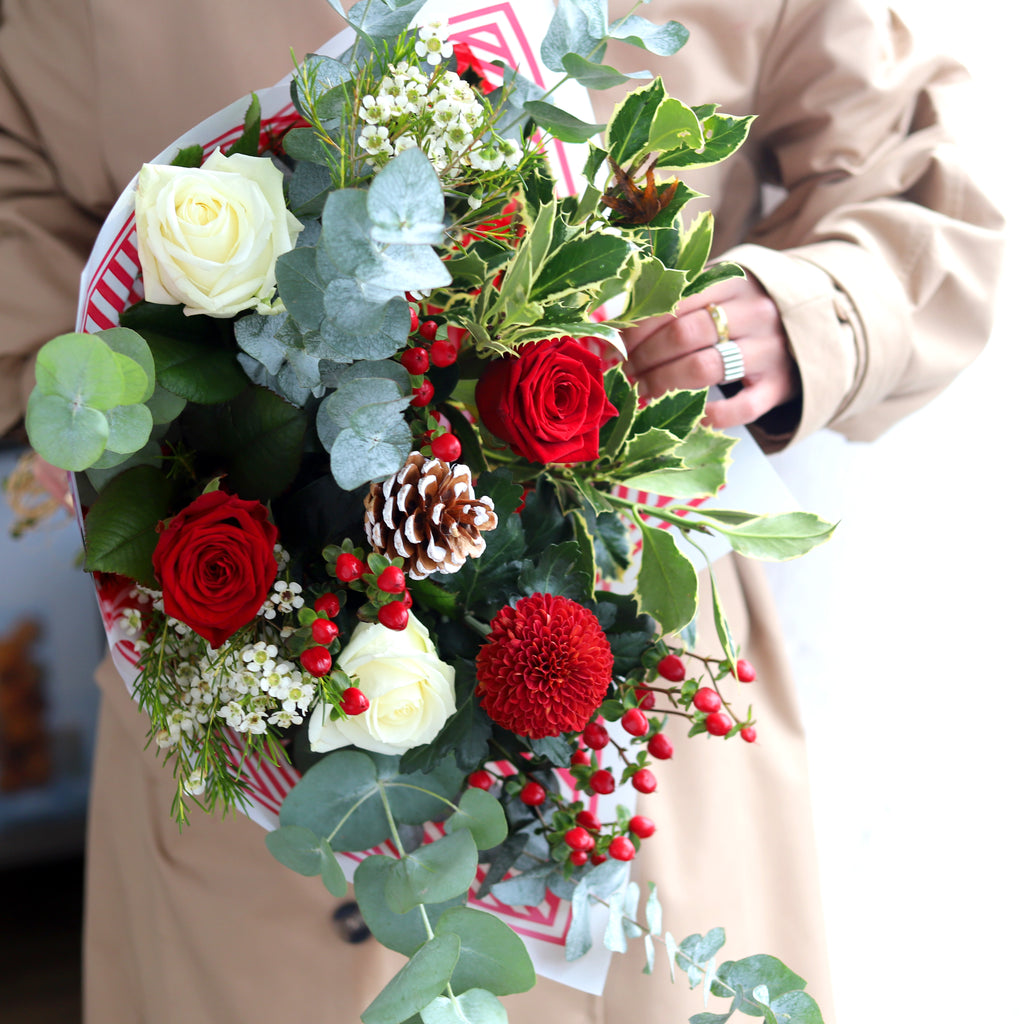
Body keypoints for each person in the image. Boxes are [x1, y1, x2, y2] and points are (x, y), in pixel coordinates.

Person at [0, 1, 1002, 1021]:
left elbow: (917, 176)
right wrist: (72, 394)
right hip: (241, 694)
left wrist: (799, 315)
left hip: (619, 694)